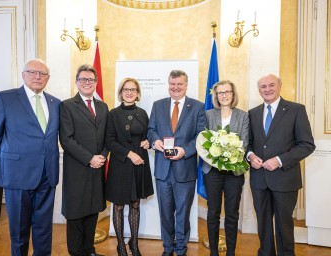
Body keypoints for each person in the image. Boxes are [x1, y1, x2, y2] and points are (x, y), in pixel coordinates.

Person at [0, 59, 61, 256]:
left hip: (48, 175)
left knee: (44, 230)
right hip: (18, 176)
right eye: (32, 72)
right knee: (19, 232)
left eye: (42, 74)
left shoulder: (56, 103)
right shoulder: (5, 98)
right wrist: (10, 164)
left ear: (48, 78)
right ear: (23, 75)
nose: (37, 77)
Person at [247, 74, 315, 256]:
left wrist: (279, 160)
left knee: (284, 225)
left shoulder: (296, 110)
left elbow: (307, 145)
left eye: (271, 85)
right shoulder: (252, 113)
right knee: (263, 223)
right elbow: (249, 142)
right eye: (263, 87)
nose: (267, 89)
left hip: (285, 179)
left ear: (280, 86)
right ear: (259, 90)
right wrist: (251, 155)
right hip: (259, 179)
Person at [148, 70, 207, 256]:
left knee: (182, 214)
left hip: (185, 169)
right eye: (172, 84)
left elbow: (201, 135)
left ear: (186, 85)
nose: (176, 87)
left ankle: (181, 249)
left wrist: (185, 151)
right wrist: (155, 140)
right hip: (162, 171)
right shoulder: (158, 106)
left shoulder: (197, 107)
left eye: (179, 84)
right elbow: (151, 130)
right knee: (165, 214)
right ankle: (168, 248)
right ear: (168, 84)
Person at [59, 64, 109, 256]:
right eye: (83, 79)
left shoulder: (103, 107)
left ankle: (89, 251)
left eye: (90, 80)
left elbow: (107, 137)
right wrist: (90, 159)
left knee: (92, 212)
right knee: (76, 215)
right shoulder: (67, 105)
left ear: (96, 82)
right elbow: (66, 140)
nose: (87, 83)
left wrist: (102, 157)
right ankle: (76, 252)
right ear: (77, 82)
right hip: (78, 169)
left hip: (97, 169)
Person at [105, 78, 154, 256]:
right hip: (121, 164)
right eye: (126, 89)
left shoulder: (143, 113)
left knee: (135, 204)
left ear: (137, 93)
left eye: (133, 89)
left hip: (139, 163)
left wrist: (148, 142)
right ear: (121, 92)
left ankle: (134, 243)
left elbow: (147, 135)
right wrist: (129, 154)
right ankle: (120, 245)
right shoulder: (113, 113)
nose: (129, 92)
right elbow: (109, 141)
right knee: (118, 205)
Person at [201, 80, 249, 256]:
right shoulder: (207, 115)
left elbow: (244, 143)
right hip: (212, 172)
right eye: (220, 93)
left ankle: (231, 252)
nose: (224, 95)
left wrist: (229, 156)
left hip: (234, 173)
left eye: (227, 92)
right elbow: (202, 142)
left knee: (231, 214)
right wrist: (217, 157)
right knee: (213, 212)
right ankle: (213, 251)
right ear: (216, 96)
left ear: (233, 94)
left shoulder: (243, 116)